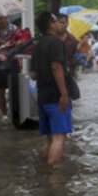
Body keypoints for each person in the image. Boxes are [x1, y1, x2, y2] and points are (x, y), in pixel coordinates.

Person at [31, 11, 74, 164]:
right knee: (59, 137)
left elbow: (33, 74)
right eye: (56, 21)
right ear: (50, 25)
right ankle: (54, 174)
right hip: (56, 96)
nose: (59, 24)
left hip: (42, 96)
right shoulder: (56, 42)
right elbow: (56, 67)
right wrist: (64, 94)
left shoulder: (38, 45)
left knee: (49, 139)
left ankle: (43, 170)